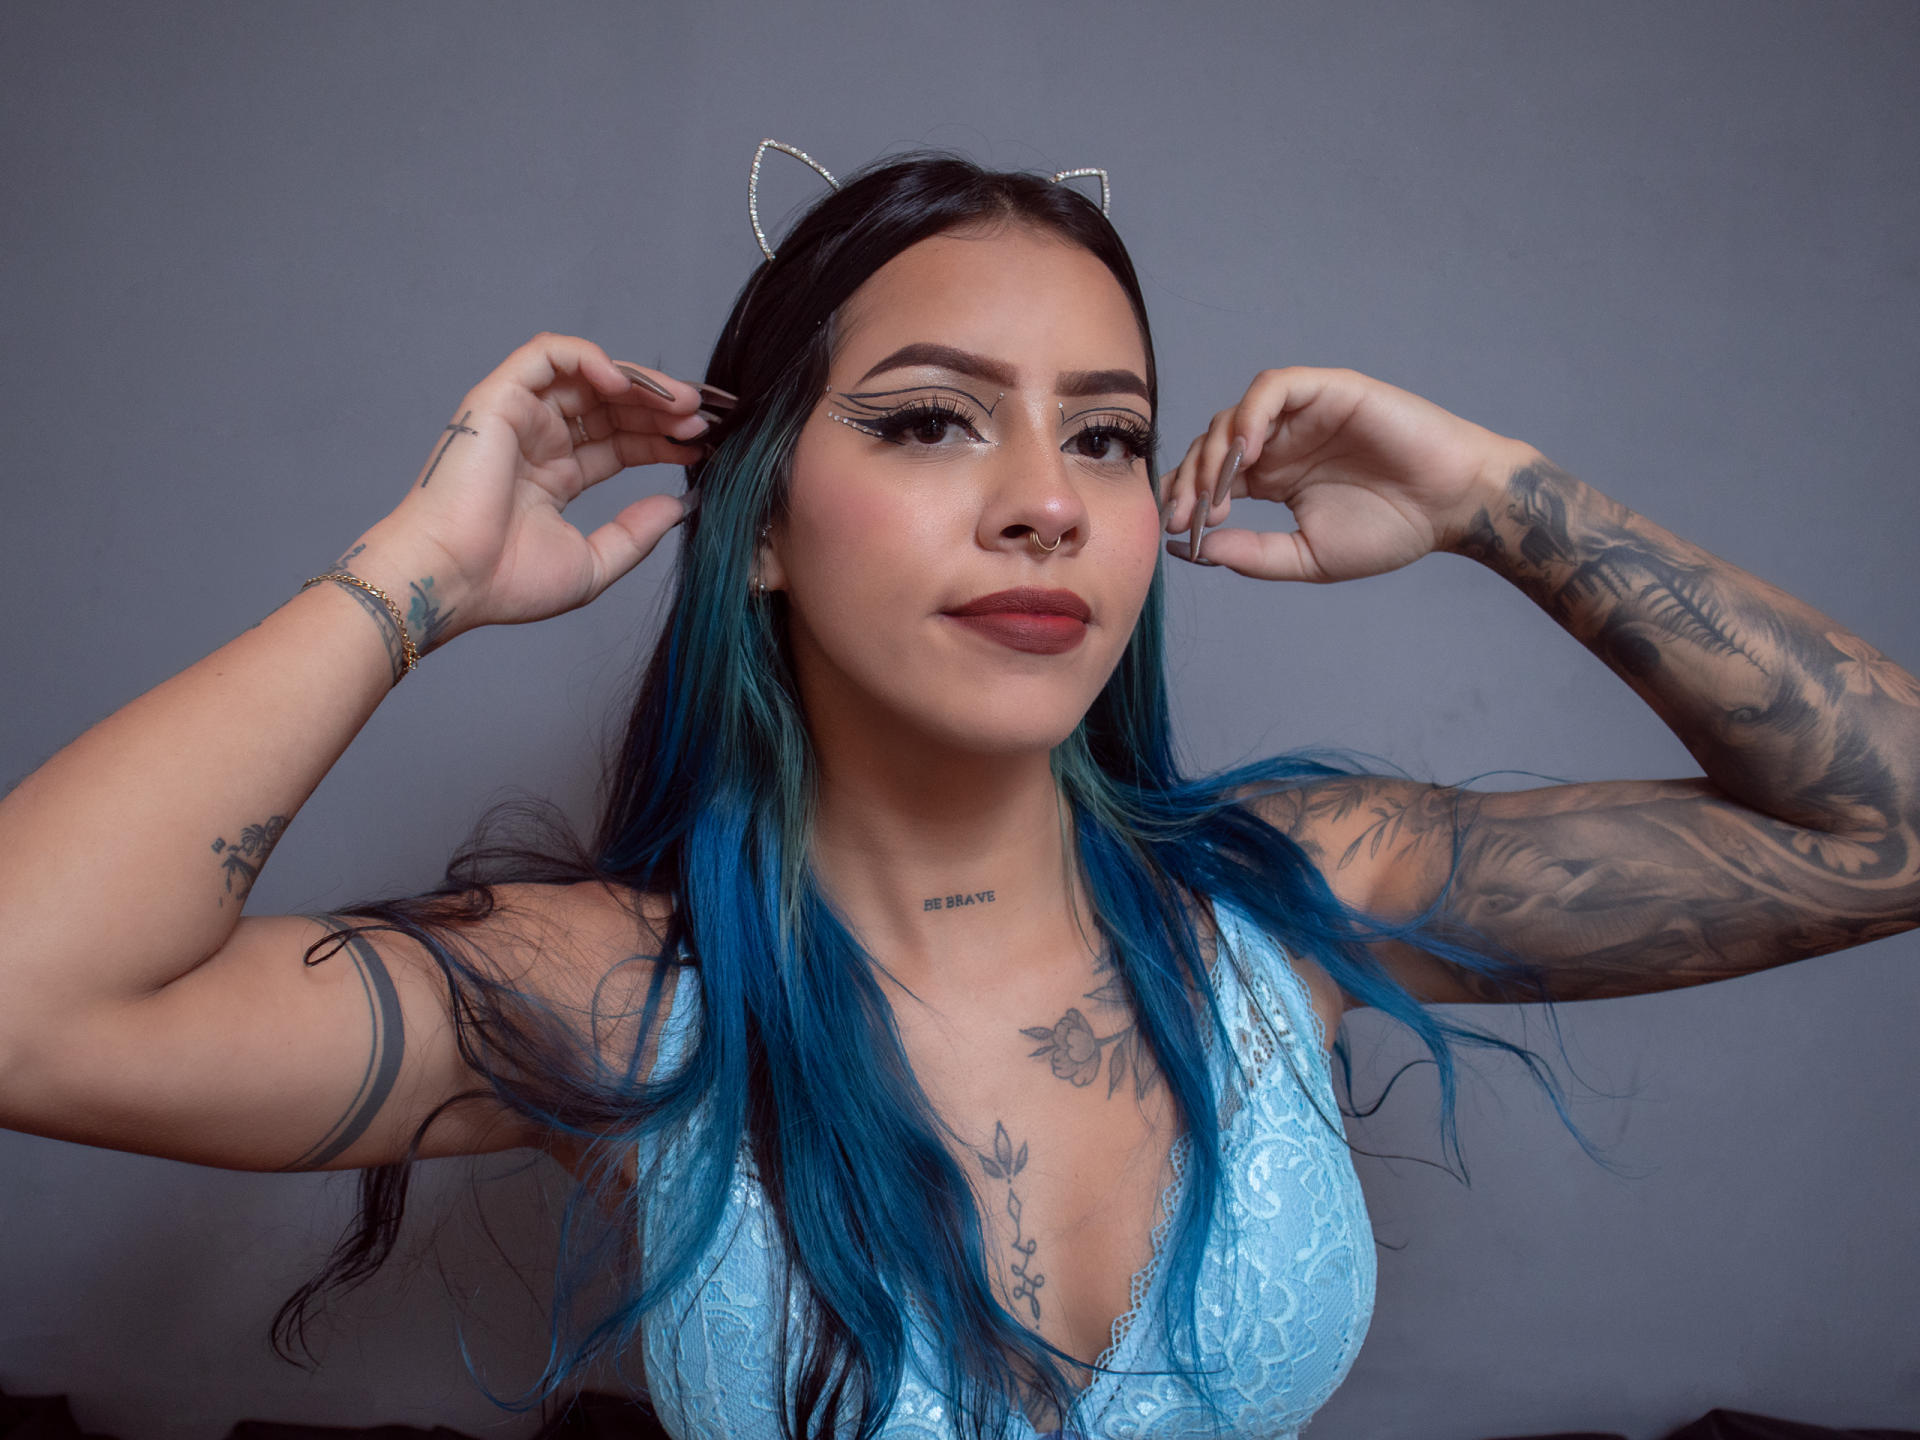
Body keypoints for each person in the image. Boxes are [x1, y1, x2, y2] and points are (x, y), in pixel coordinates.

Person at [0, 150, 1914, 1440]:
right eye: (931, 419)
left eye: (1110, 434)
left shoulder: (1295, 890)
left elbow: (1881, 833)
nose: (1047, 500)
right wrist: (408, 584)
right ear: (756, 525)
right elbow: (32, 1010)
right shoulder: (625, 993)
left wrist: (1502, 500)